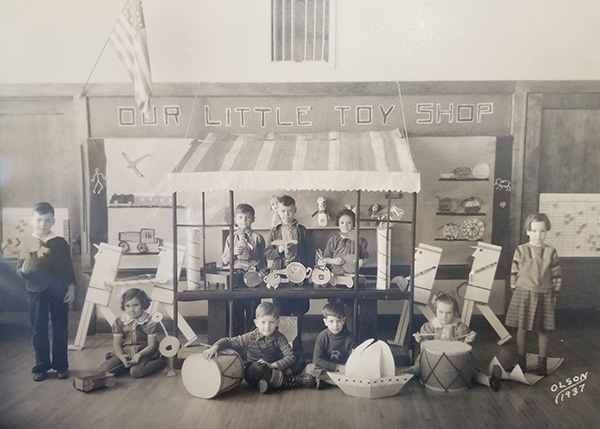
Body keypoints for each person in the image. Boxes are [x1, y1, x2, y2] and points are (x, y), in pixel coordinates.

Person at [16, 202, 76, 382]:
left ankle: (61, 365)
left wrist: (71, 289)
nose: (43, 224)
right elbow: (19, 269)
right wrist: (23, 271)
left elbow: (68, 269)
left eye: (47, 220)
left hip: (58, 291)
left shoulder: (60, 243)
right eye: (39, 220)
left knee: (60, 329)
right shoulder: (27, 242)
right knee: (38, 330)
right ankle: (41, 367)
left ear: (53, 221)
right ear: (32, 220)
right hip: (35, 292)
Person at [201, 302, 315, 394]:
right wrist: (214, 347)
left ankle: (268, 383)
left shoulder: (279, 337)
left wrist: (271, 365)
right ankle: (287, 381)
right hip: (256, 371)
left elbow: (290, 357)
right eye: (263, 322)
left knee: (299, 358)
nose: (267, 326)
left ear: (277, 323)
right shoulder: (250, 336)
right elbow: (228, 341)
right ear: (256, 323)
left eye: (271, 322)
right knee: (256, 367)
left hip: (274, 367)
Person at [399, 292, 502, 391]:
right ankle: (395, 375)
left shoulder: (459, 327)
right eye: (441, 312)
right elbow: (427, 347)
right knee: (418, 368)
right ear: (435, 311)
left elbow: (463, 348)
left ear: (455, 312)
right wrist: (422, 340)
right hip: (433, 359)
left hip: (455, 359)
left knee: (470, 371)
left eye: (448, 313)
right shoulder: (430, 326)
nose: (444, 316)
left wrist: (467, 340)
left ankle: (489, 381)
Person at [505, 213, 561, 376]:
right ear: (528, 231)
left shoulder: (551, 252)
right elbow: (514, 271)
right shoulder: (521, 250)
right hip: (523, 294)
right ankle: (521, 362)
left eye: (542, 231)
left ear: (546, 231)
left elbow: (556, 275)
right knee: (521, 328)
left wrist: (554, 295)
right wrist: (515, 289)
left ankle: (541, 364)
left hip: (545, 294)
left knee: (543, 330)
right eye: (535, 231)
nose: (539, 235)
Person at [265, 195, 313, 354]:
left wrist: (310, 269)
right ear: (278, 210)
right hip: (281, 278)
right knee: (282, 311)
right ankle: (283, 348)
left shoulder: (302, 230)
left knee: (299, 312)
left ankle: (297, 347)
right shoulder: (274, 231)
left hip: (299, 278)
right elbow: (267, 253)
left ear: (295, 210)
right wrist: (277, 251)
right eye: (283, 211)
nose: (286, 214)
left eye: (290, 211)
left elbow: (309, 252)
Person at [100, 288, 166, 378]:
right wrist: (122, 357)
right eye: (127, 306)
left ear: (143, 304)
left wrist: (139, 355)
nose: (132, 310)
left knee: (136, 372)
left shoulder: (149, 321)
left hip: (144, 353)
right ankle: (126, 364)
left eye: (136, 305)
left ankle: (161, 361)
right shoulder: (120, 322)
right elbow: (117, 345)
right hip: (125, 353)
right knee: (104, 369)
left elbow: (152, 345)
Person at [221, 203, 266, 333]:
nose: (244, 221)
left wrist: (261, 274)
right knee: (235, 309)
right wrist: (234, 252)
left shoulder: (257, 238)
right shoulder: (231, 238)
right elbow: (224, 260)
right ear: (235, 219)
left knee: (253, 309)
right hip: (236, 276)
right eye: (240, 217)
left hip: (252, 274)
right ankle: (236, 339)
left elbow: (262, 259)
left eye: (247, 217)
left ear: (253, 219)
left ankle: (253, 338)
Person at [308, 302, 356, 389]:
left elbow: (354, 358)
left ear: (344, 321)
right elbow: (317, 359)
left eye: (339, 321)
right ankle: (336, 381)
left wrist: (345, 367)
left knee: (357, 372)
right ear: (325, 322)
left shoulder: (350, 338)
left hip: (344, 368)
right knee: (311, 368)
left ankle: (328, 381)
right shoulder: (322, 336)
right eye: (331, 321)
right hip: (328, 368)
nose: (335, 325)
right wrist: (336, 367)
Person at [323, 208, 369, 276]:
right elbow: (325, 258)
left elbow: (366, 258)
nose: (345, 225)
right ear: (338, 224)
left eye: (349, 223)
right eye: (342, 223)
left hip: (355, 274)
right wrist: (334, 261)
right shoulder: (333, 241)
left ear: (354, 224)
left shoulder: (360, 241)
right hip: (337, 274)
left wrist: (362, 262)